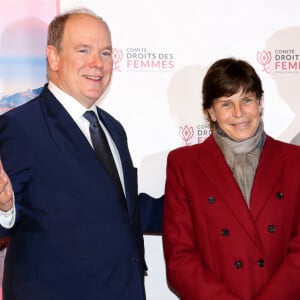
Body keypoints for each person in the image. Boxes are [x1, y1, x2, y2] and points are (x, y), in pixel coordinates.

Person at [0, 8, 153, 300]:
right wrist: (4, 208)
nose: (97, 63)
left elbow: (122, 208)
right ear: (54, 57)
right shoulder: (18, 128)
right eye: (84, 50)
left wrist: (196, 201)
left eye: (106, 53)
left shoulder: (112, 128)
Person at [162, 57, 300, 300]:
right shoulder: (184, 165)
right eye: (226, 104)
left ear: (260, 103)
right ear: (210, 112)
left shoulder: (295, 161)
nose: (239, 113)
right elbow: (180, 259)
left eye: (246, 100)